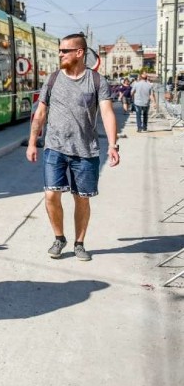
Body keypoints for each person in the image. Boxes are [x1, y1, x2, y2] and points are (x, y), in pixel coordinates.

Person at [25, 33, 119, 262]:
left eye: (64, 51)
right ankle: (59, 238)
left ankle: (79, 243)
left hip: (86, 150)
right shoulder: (53, 79)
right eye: (59, 51)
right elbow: (41, 113)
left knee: (82, 198)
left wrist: (113, 145)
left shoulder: (97, 81)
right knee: (50, 194)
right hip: (54, 147)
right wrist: (32, 142)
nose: (60, 54)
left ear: (79, 53)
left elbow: (106, 112)